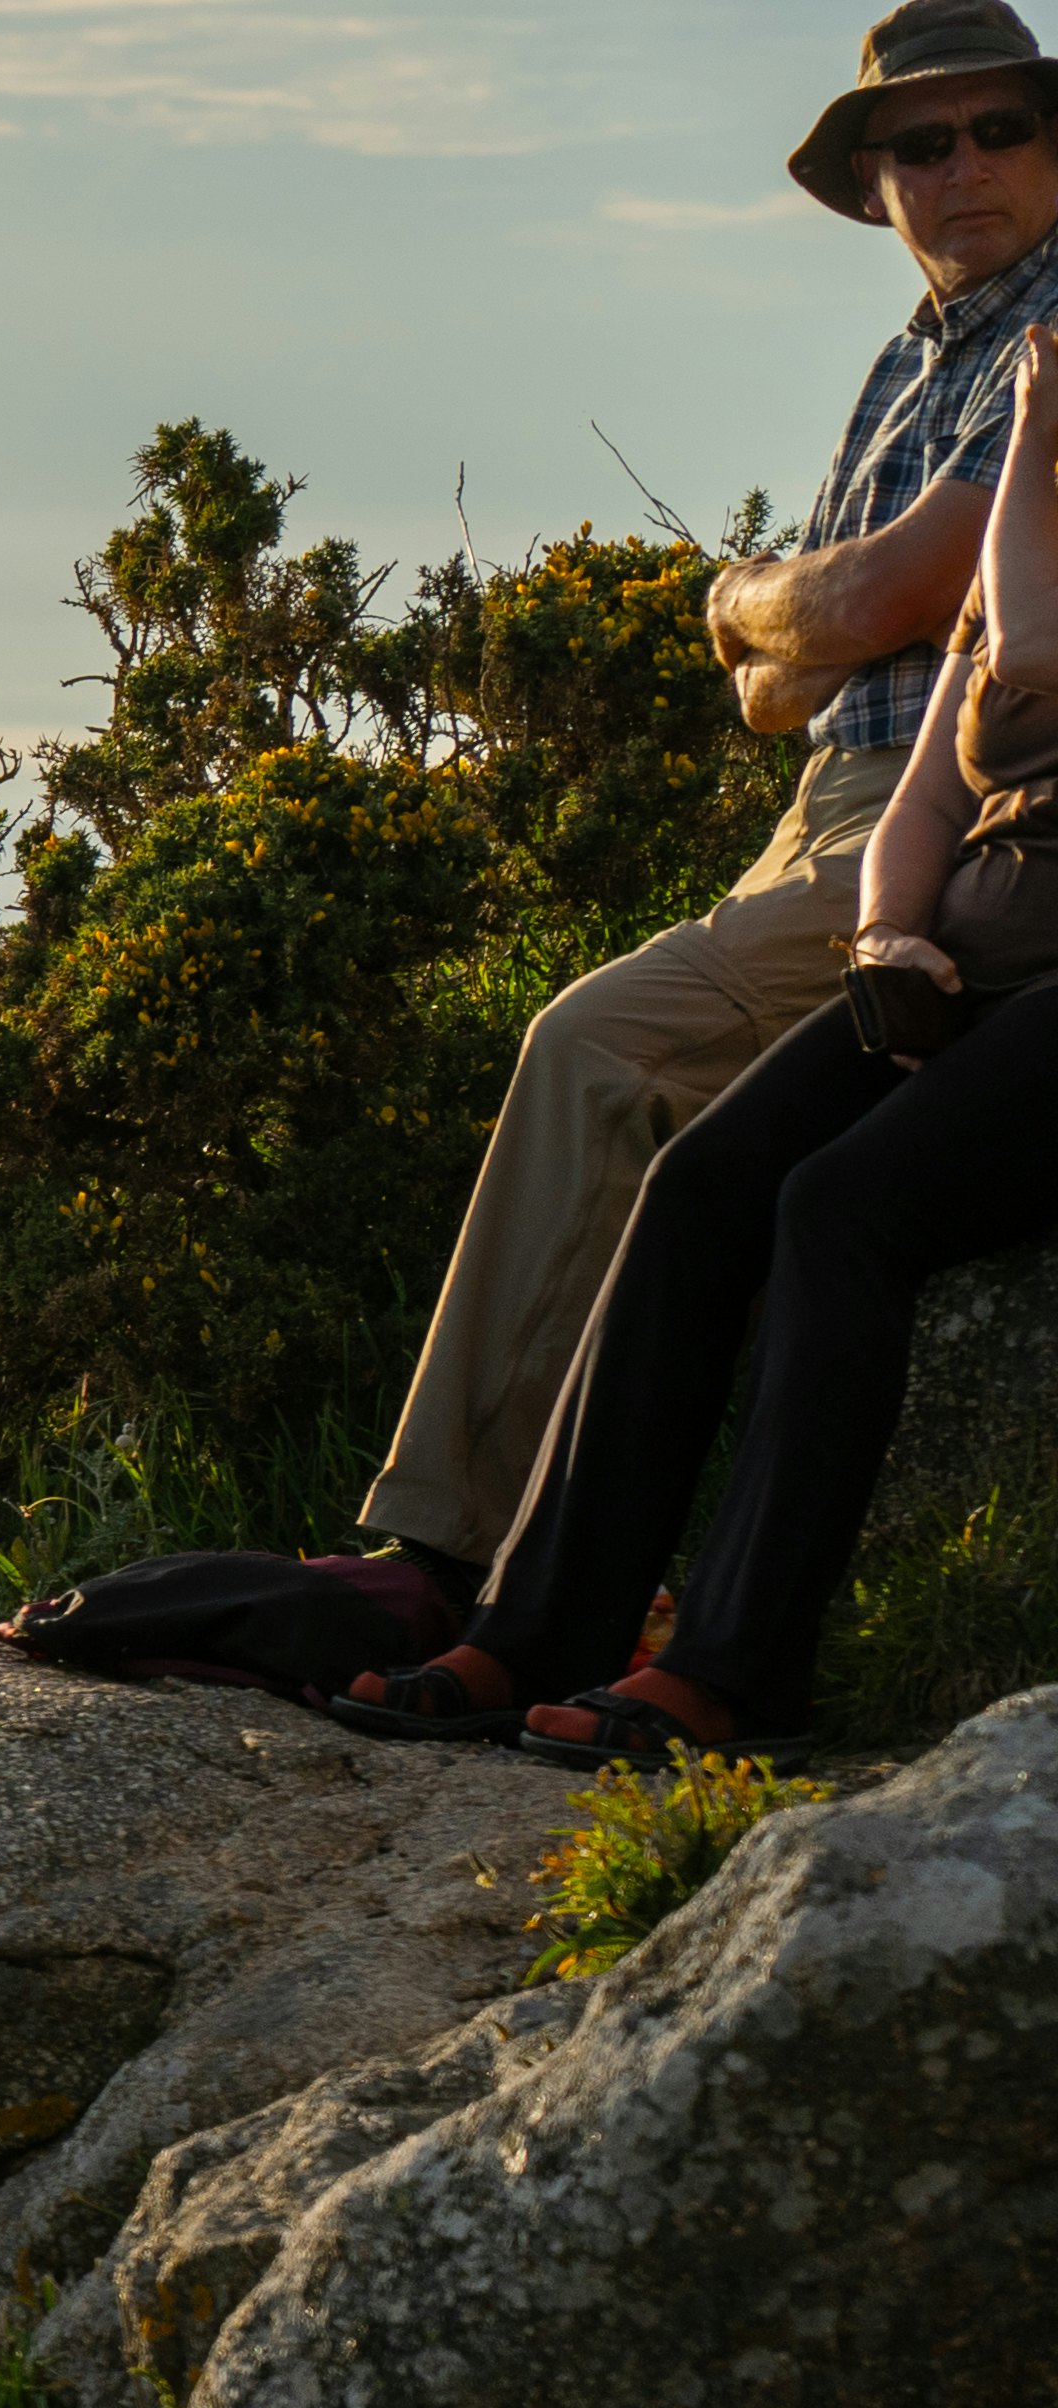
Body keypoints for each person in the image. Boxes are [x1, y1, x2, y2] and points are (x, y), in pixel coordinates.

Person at [343, 1, 1058, 1581]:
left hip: (950, 806)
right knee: (697, 1152)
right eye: (919, 144)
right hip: (827, 804)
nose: (962, 169)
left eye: (1000, 129)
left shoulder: (1052, 338)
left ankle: (446, 1555)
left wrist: (743, 594)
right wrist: (803, 618)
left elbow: (875, 607)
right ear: (874, 184)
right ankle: (574, 1566)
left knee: (595, 1047)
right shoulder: (907, 363)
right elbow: (779, 689)